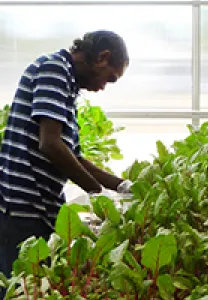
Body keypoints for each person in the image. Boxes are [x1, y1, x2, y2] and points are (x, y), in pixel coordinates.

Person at [0, 30, 133, 297]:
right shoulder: (53, 70)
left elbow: (74, 156)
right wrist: (98, 194)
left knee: (31, 287)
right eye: (109, 78)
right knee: (19, 289)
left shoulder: (67, 86)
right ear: (101, 58)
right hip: (23, 206)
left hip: (39, 207)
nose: (103, 87)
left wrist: (123, 187)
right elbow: (50, 145)